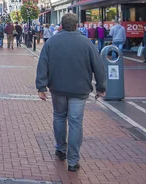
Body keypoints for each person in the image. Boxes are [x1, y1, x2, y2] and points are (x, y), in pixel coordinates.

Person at [35, 13, 106, 173]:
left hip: (58, 88)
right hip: (79, 89)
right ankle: (73, 161)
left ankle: (61, 149)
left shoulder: (52, 42)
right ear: (76, 25)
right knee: (75, 122)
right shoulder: (86, 43)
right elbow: (98, 66)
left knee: (59, 116)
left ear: (61, 24)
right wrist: (101, 87)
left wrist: (41, 86)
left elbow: (42, 63)